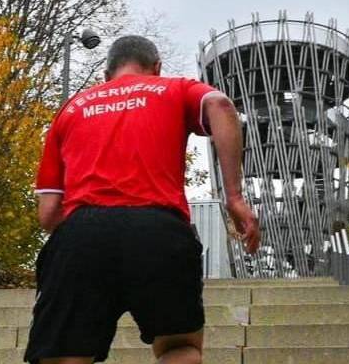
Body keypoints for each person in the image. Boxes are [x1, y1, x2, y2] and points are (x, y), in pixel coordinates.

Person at [26, 35, 260, 364]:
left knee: (63, 356)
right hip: (159, 231)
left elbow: (49, 213)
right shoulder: (174, 89)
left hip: (82, 233)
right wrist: (233, 197)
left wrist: (90, 231)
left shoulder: (72, 109)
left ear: (106, 76)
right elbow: (220, 105)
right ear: (156, 67)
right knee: (179, 347)